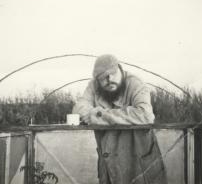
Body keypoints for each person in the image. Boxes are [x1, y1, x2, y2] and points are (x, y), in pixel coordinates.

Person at [72, 54, 167, 184]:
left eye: (112, 73)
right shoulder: (94, 86)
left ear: (120, 69)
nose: (109, 79)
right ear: (97, 79)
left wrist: (100, 116)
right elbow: (79, 109)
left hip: (139, 162)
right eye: (102, 77)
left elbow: (146, 115)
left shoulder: (136, 84)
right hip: (109, 164)